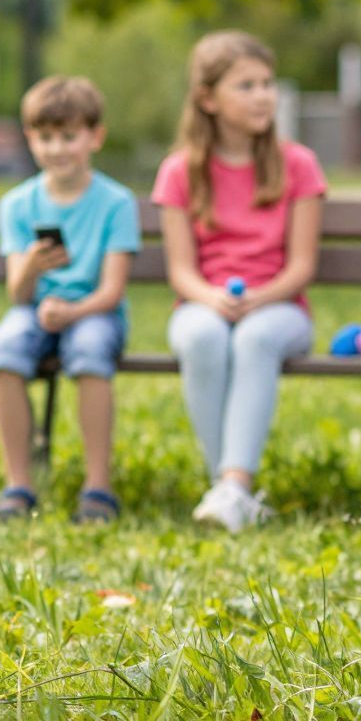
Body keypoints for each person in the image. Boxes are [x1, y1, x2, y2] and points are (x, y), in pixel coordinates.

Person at [152, 32, 325, 533]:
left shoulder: (299, 165)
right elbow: (181, 271)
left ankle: (232, 489)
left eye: (267, 84)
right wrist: (210, 298)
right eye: (246, 85)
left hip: (280, 307)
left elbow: (301, 268)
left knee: (255, 338)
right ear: (208, 99)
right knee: (202, 336)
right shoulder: (180, 171)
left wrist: (259, 298)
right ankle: (229, 490)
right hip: (203, 304)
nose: (263, 96)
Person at [0, 76, 140, 524]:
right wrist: (31, 266)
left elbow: (112, 291)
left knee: (90, 350)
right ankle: (18, 485)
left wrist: (71, 311)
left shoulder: (115, 203)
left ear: (95, 137)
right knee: (6, 348)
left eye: (69, 136)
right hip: (37, 311)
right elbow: (18, 293)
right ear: (31, 140)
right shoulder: (17, 205)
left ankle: (97, 487)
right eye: (46, 138)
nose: (57, 149)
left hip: (94, 312)